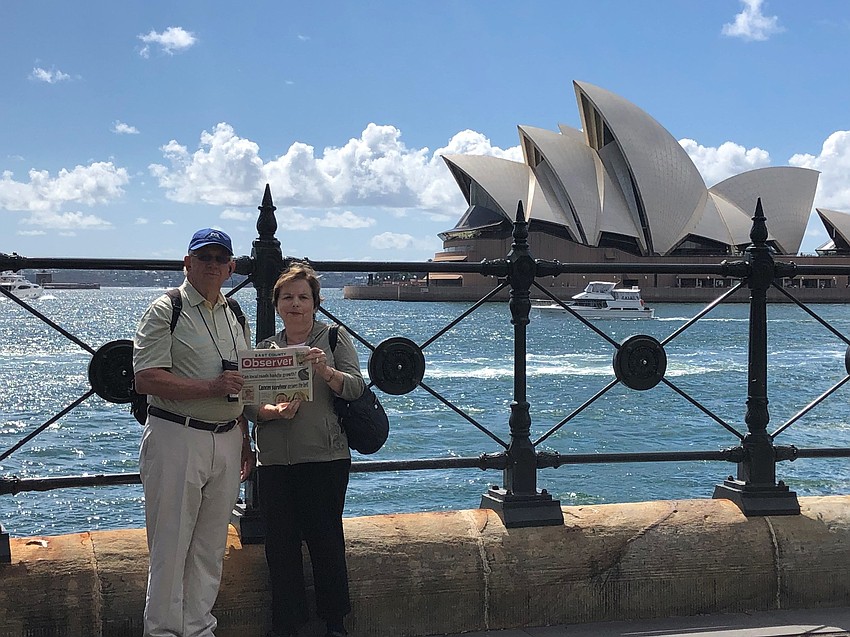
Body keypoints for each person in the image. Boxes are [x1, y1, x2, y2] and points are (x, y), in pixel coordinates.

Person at [133, 227, 254, 637]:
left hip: (226, 437)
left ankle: (199, 628)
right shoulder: (165, 309)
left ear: (232, 268)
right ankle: (163, 632)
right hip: (176, 434)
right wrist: (210, 389)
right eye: (205, 257)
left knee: (208, 549)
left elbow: (242, 381)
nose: (213, 265)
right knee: (170, 547)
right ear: (187, 262)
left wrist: (245, 436)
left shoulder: (236, 314)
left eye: (221, 259)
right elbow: (146, 378)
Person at [245, 264, 365, 637]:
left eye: (303, 297)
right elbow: (248, 406)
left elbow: (357, 387)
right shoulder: (265, 349)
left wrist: (327, 373)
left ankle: (335, 621)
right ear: (276, 303)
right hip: (275, 461)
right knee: (279, 547)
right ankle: (288, 623)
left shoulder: (333, 338)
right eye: (288, 297)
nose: (295, 304)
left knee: (325, 540)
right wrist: (271, 412)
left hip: (324, 457)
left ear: (316, 302)